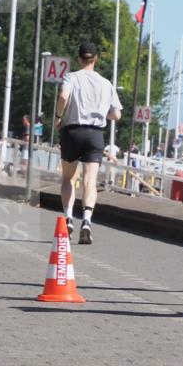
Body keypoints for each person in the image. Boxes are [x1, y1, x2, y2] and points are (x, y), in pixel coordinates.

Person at [55, 42, 122, 244]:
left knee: (68, 178)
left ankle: (68, 217)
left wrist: (58, 116)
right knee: (89, 181)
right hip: (95, 135)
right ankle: (86, 220)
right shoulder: (106, 83)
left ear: (79, 58)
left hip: (73, 132)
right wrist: (102, 113)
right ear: (96, 59)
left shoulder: (72, 77)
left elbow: (63, 96)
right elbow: (117, 114)